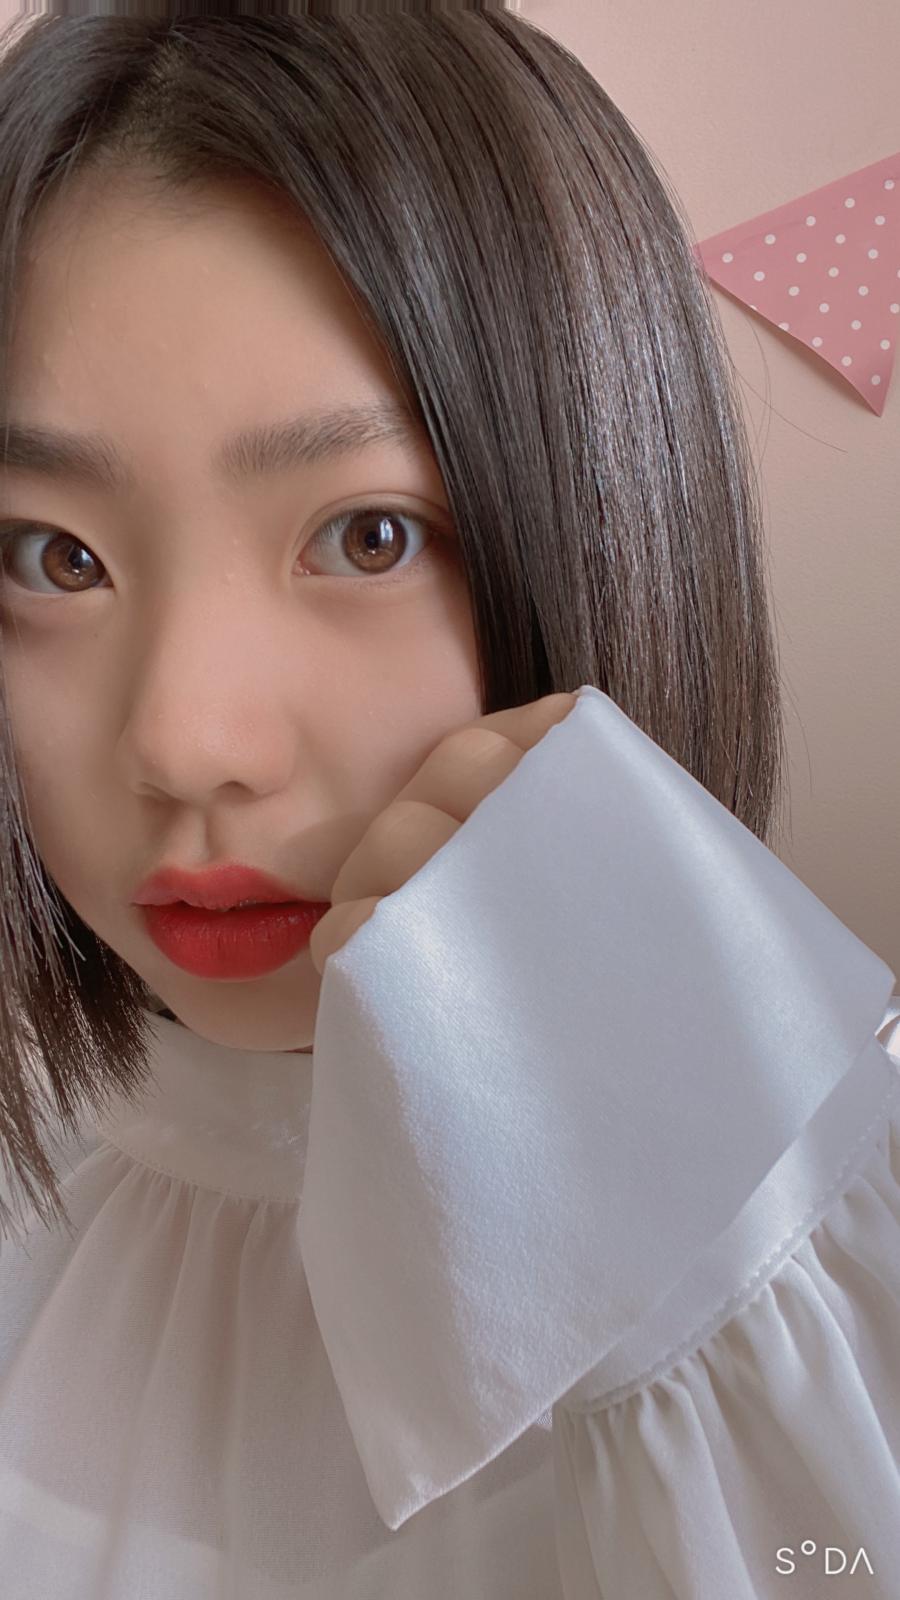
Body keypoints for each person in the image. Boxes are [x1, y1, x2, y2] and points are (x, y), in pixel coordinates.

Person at [0, 7, 896, 1598]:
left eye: (369, 537)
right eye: (54, 558)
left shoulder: (836, 1226)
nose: (189, 743)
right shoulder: (41, 1209)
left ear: (613, 503)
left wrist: (716, 1251)